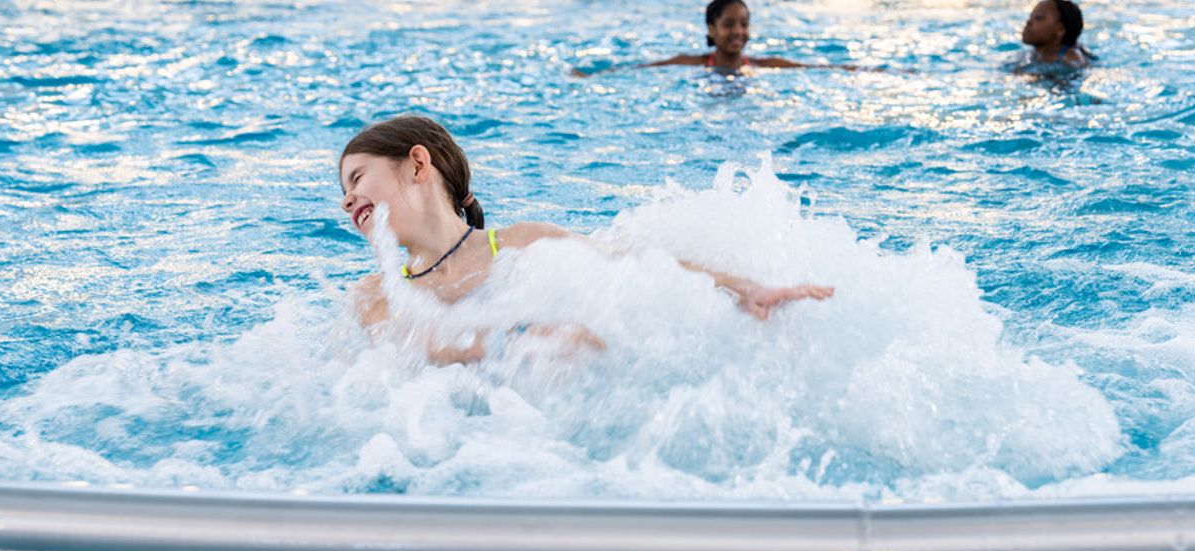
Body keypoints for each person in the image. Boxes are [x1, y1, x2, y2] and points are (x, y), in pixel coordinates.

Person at [339, 115, 834, 365]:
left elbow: (634, 266)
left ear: (419, 165)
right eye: (344, 190)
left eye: (357, 178)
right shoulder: (374, 293)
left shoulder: (520, 244)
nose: (347, 200)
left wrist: (743, 289)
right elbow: (412, 343)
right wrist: (519, 342)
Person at [573, 0, 863, 76]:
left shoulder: (762, 65)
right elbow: (644, 68)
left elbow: (815, 68)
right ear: (711, 29)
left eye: (744, 24)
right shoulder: (694, 63)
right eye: (729, 24)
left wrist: (863, 69)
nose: (738, 31)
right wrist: (593, 73)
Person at [1021, 0, 1090, 67]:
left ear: (1060, 29)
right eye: (1031, 16)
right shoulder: (1034, 53)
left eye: (1039, 17)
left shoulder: (1071, 58)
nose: (1028, 21)